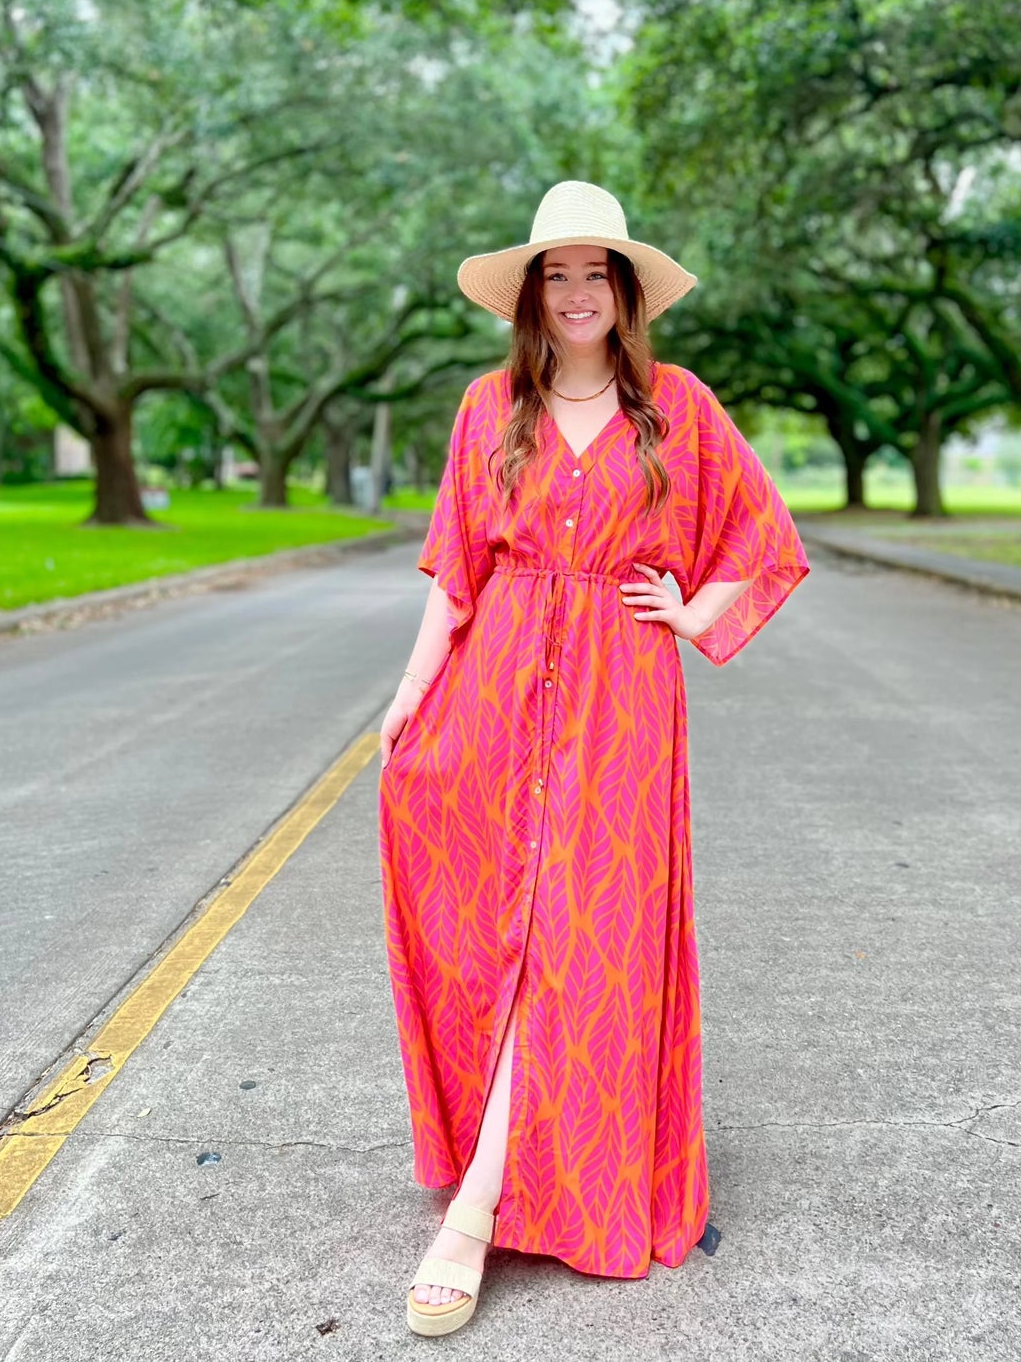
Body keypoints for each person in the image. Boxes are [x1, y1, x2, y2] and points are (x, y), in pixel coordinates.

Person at [377, 180, 810, 1337]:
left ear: (624, 292)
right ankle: (500, 1164)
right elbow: (455, 570)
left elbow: (764, 544)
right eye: (556, 275)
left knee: (582, 936)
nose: (576, 294)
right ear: (532, 295)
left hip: (620, 703)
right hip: (493, 689)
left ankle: (473, 1209)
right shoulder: (487, 406)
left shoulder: (676, 404)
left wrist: (685, 607)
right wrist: (413, 690)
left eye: (595, 273)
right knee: (499, 926)